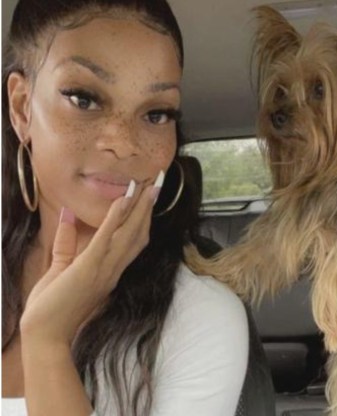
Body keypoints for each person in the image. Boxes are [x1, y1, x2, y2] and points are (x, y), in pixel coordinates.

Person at [1, 1, 248, 415]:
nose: (124, 141)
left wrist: (48, 344)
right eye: (83, 99)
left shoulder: (201, 319)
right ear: (23, 107)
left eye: (156, 114)